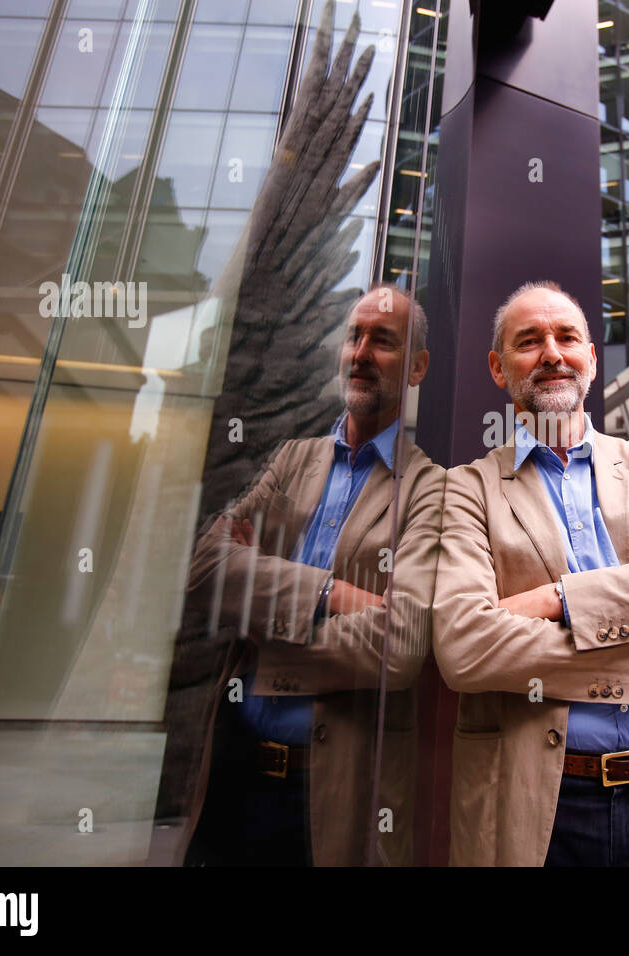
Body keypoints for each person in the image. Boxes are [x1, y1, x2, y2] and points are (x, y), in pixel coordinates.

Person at [432, 280, 629, 866]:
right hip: (542, 808)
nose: (552, 353)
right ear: (498, 369)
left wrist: (560, 599)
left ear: (590, 357)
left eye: (567, 337)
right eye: (528, 341)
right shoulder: (466, 490)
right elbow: (464, 646)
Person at [176, 285, 444, 866]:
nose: (362, 352)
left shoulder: (431, 489)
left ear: (418, 366)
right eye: (355, 337)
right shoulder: (291, 461)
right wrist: (333, 593)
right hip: (234, 765)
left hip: (327, 790)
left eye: (384, 341)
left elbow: (400, 644)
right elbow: (203, 570)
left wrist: (264, 611)